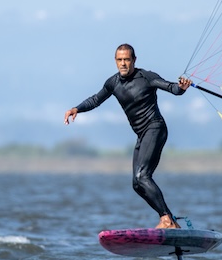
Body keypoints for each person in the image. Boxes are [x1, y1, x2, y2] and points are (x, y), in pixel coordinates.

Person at [64, 43, 191, 229]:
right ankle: (169, 220)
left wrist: (182, 87)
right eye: (119, 60)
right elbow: (96, 99)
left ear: (134, 60)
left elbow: (172, 88)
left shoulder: (146, 77)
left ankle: (166, 219)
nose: (123, 63)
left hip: (155, 128)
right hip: (142, 134)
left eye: (127, 59)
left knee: (143, 176)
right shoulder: (113, 83)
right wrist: (77, 108)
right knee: (137, 183)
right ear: (115, 61)